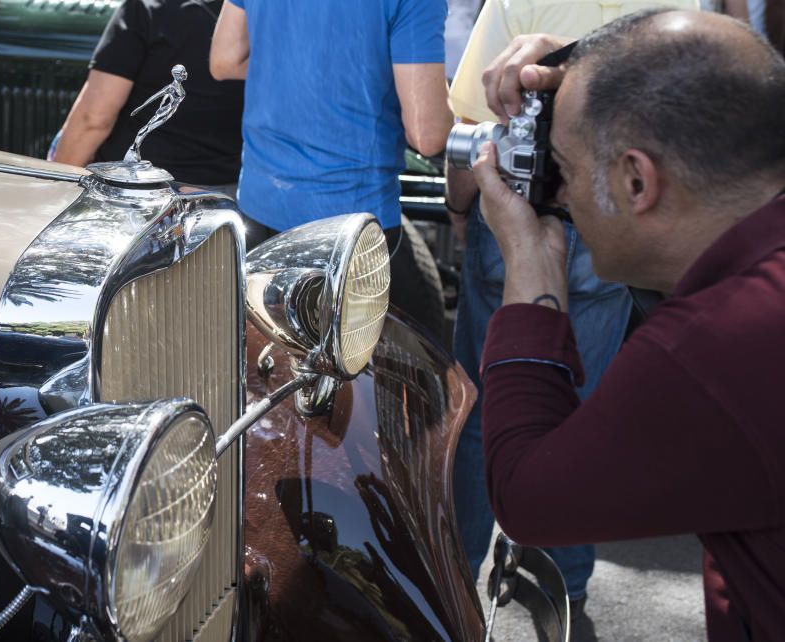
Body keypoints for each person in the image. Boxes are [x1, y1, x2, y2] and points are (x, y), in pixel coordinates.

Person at [473, 9, 785, 639]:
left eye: (564, 164)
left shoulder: (714, 344)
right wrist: (596, 73)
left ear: (637, 180)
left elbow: (529, 498)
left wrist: (530, 270)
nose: (558, 193)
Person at [443, 0, 696, 607]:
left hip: (515, 211)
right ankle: (566, 582)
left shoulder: (514, 2)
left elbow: (472, 136)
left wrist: (459, 215)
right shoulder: (678, 11)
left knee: (478, 406)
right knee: (586, 405)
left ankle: (452, 579)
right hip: (619, 215)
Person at [208, 0, 453, 336]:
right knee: (385, 375)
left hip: (260, 208)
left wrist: (297, 65)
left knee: (271, 369)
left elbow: (224, 60)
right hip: (351, 230)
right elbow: (428, 134)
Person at [52, 0, 243, 192]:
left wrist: (60, 187)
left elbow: (93, 119)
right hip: (229, 191)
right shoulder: (256, 15)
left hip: (137, 191)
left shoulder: (146, 7)